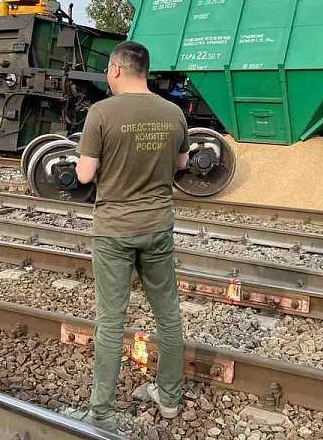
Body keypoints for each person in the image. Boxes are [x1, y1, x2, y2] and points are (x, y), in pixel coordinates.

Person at [74, 41, 188, 430]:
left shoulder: (101, 113)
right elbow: (182, 163)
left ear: (117, 69)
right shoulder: (173, 112)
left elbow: (84, 176)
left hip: (114, 230)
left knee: (111, 320)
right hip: (157, 226)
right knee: (168, 314)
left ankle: (102, 412)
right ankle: (170, 398)